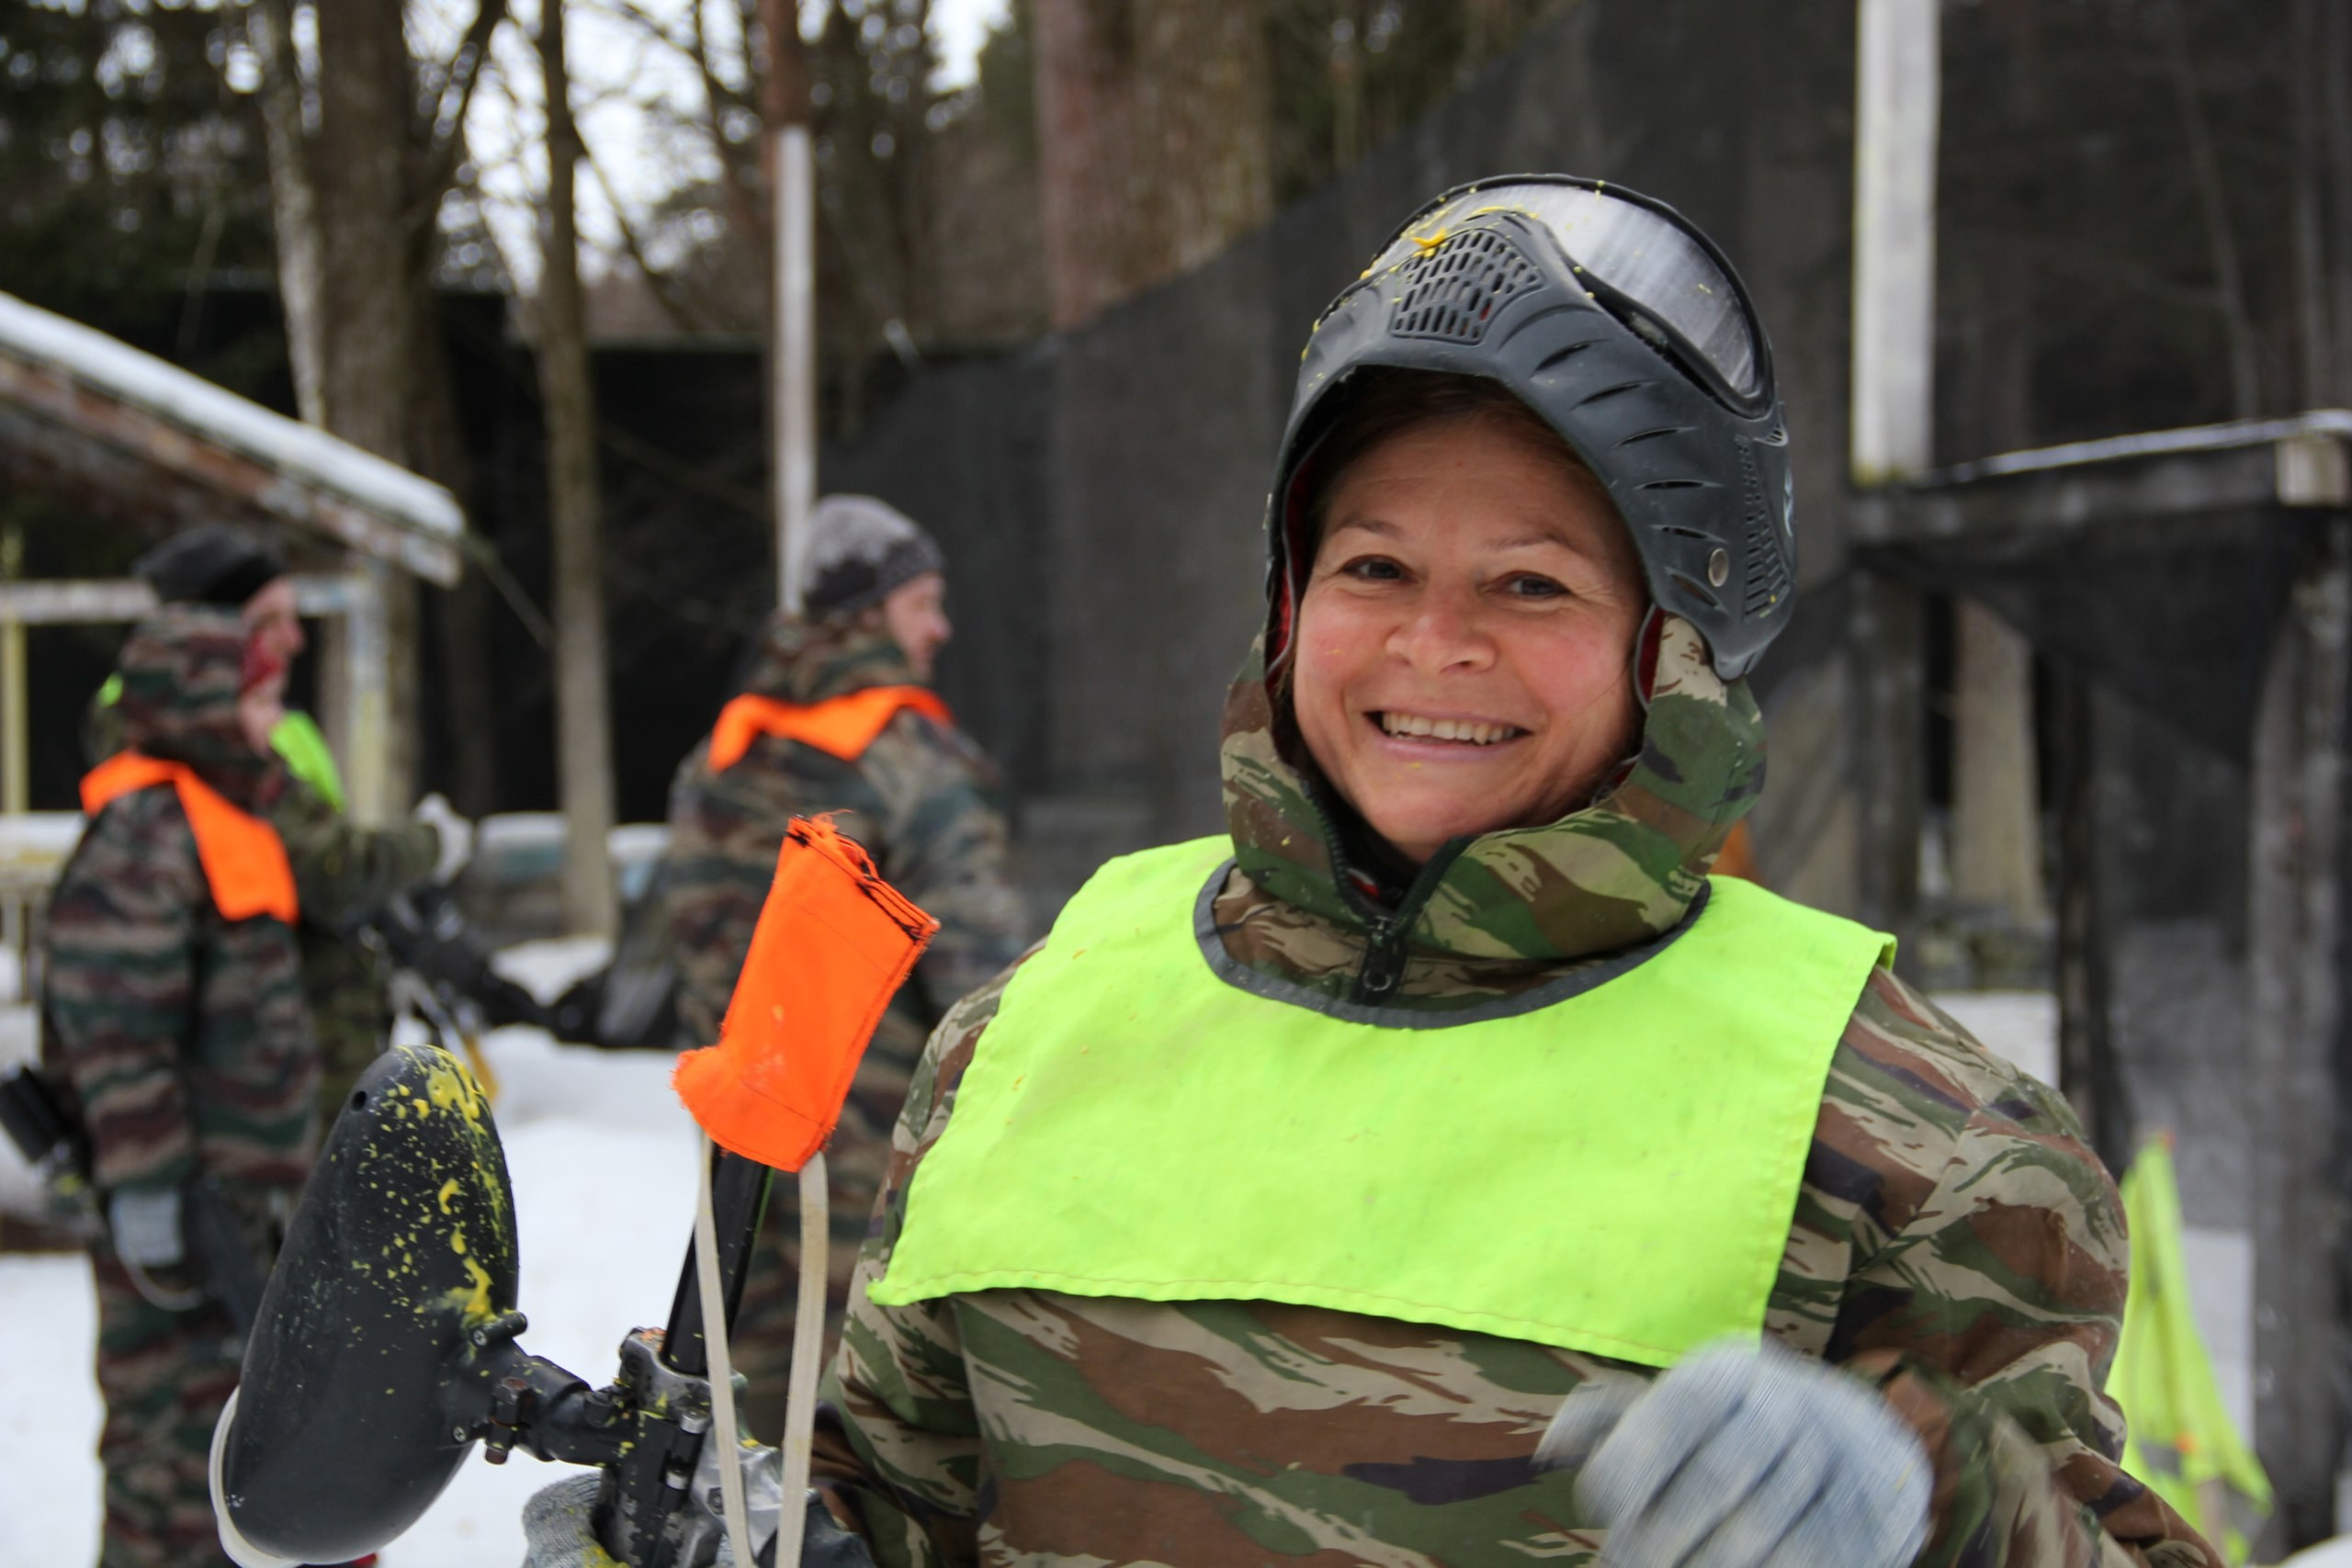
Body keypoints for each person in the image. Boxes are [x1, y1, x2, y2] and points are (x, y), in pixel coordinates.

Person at [527, 179, 2219, 1568]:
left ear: (1674, 642)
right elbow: (888, 1496)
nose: (1433, 645)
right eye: (1374, 563)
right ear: (1285, 602)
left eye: (1535, 584)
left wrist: (1939, 1513)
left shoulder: (1922, 1132)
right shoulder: (1037, 1027)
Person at [657, 492, 1028, 1441]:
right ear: (871, 613)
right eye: (923, 603)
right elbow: (985, 985)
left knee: (745, 1421)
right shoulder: (915, 758)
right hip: (872, 1160)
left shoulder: (719, 753)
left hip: (743, 1141)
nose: (940, 628)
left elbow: (688, 939)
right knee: (867, 1429)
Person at [43, 606, 316, 1568]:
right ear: (202, 703)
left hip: (244, 1209)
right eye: (257, 694)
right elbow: (114, 1021)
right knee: (172, 1461)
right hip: (184, 1215)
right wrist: (151, 1187)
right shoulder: (148, 833)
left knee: (235, 1454)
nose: (273, 714)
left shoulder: (219, 818)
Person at [85, 526, 469, 1117]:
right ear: (210, 628)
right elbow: (328, 865)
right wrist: (429, 847)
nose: (294, 640)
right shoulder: (173, 732)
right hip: (252, 1081)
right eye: (271, 621)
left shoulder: (266, 724)